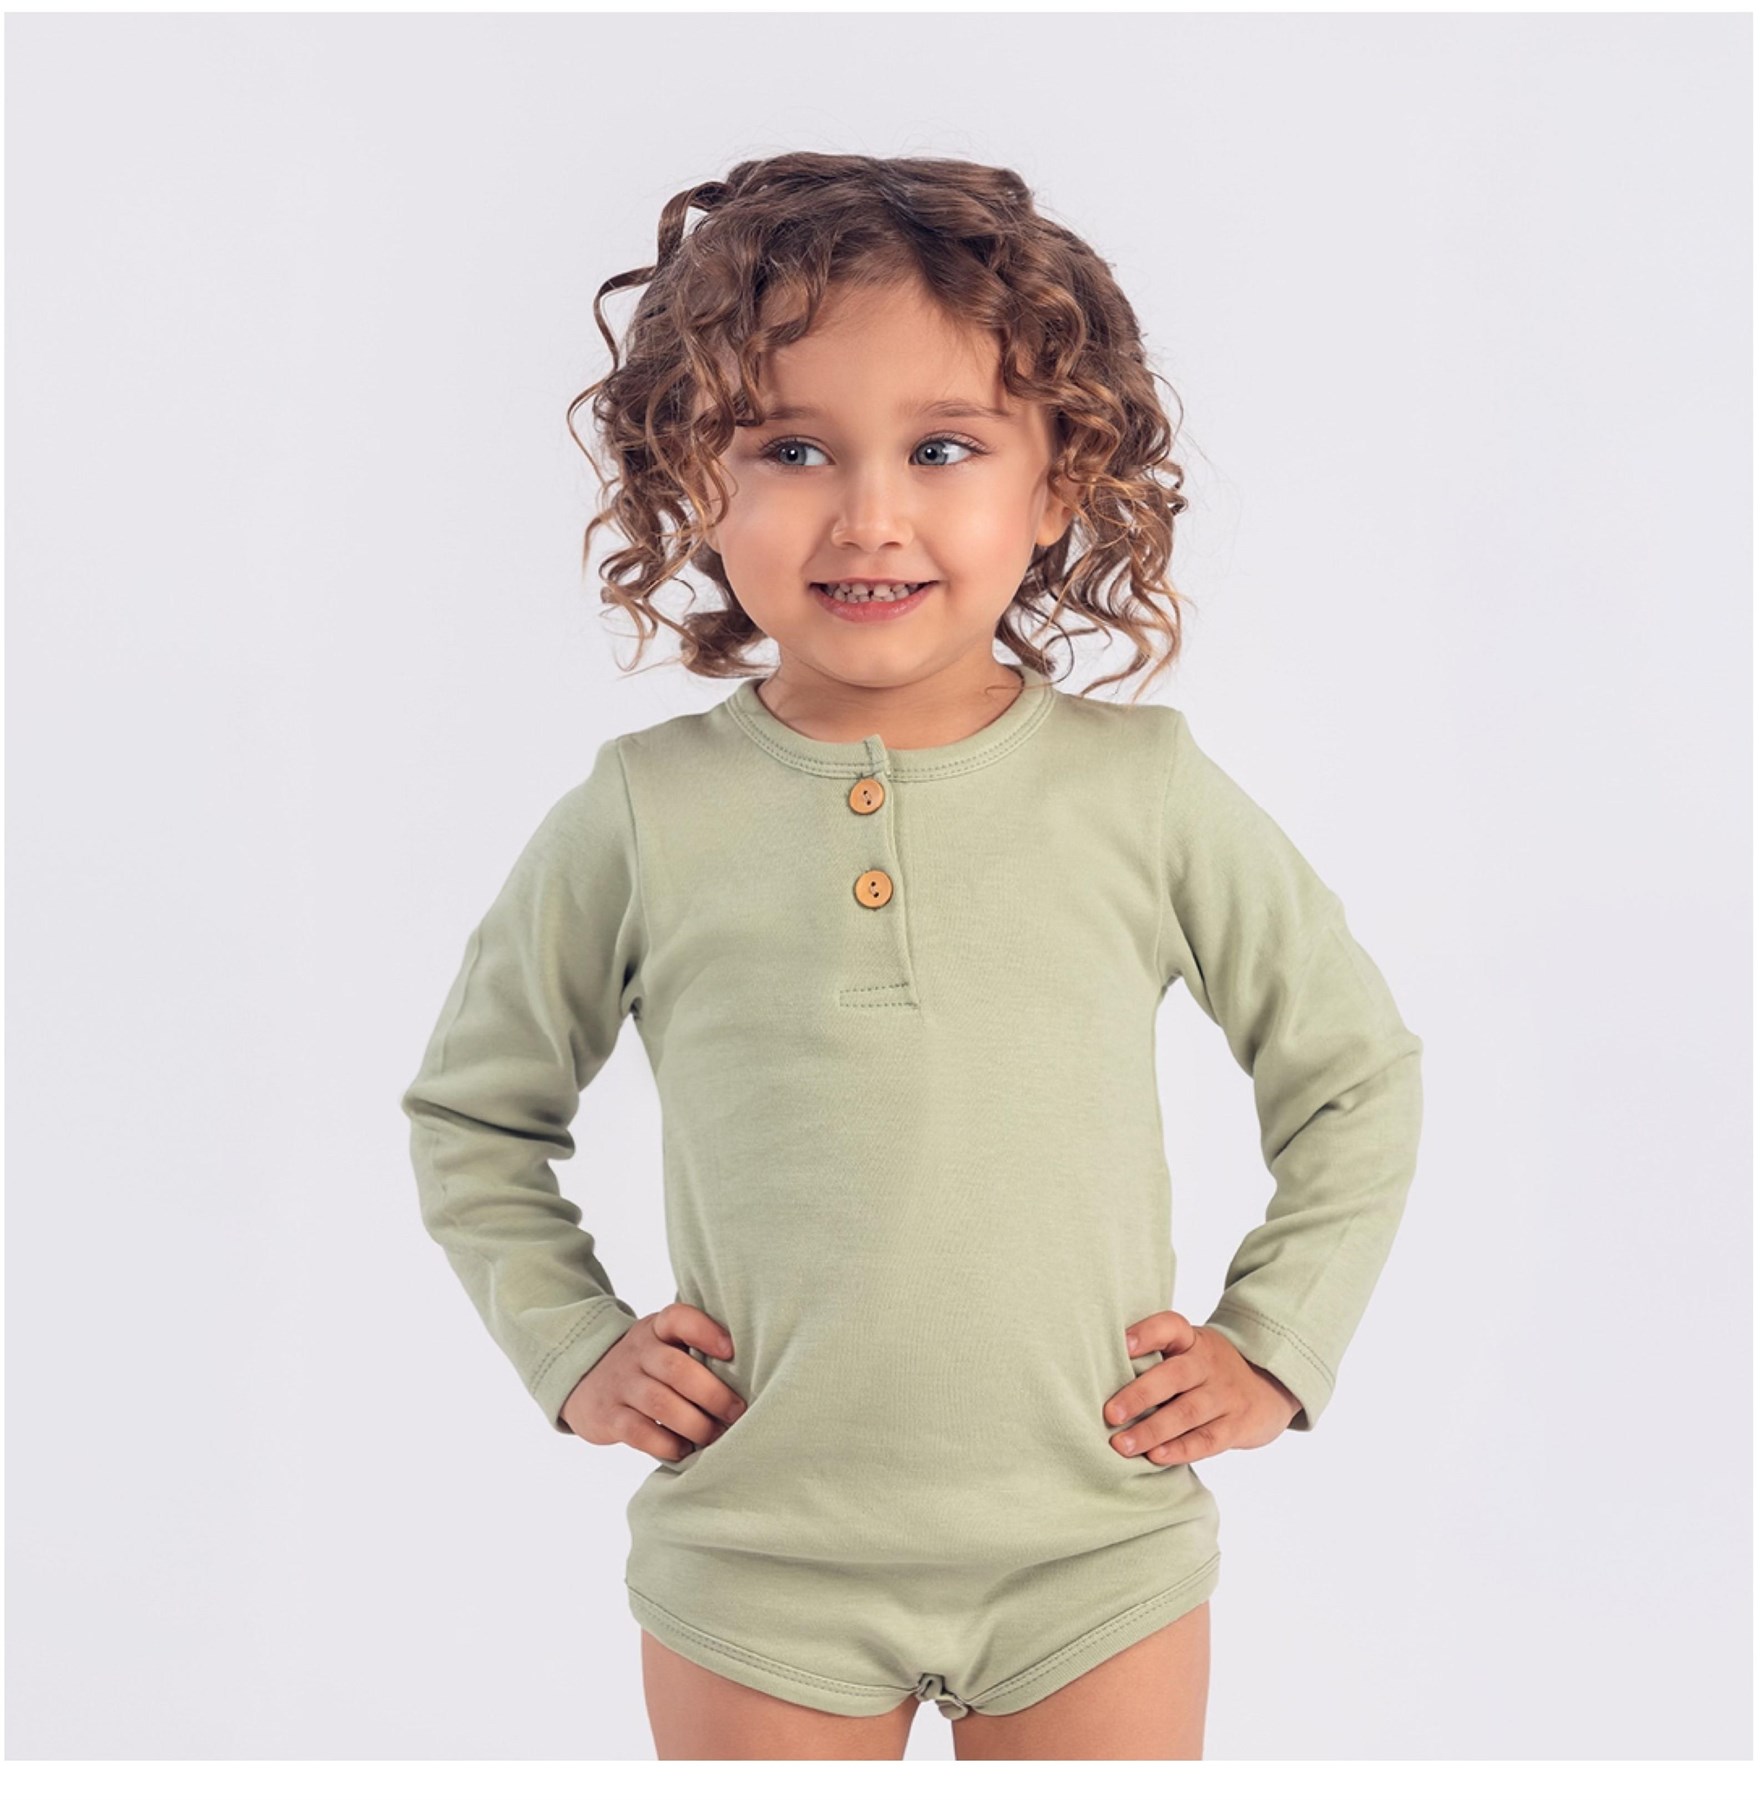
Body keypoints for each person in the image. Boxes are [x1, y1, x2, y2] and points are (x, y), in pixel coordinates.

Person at [400, 151, 1425, 1761]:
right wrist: (573, 1345)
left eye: (943, 448)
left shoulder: (1145, 791)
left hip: (1097, 1553)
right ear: (692, 479)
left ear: (1058, 480)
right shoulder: (643, 814)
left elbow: (1351, 1076)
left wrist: (1275, 1344)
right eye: (789, 447)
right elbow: (473, 1115)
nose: (868, 514)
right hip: (757, 1566)